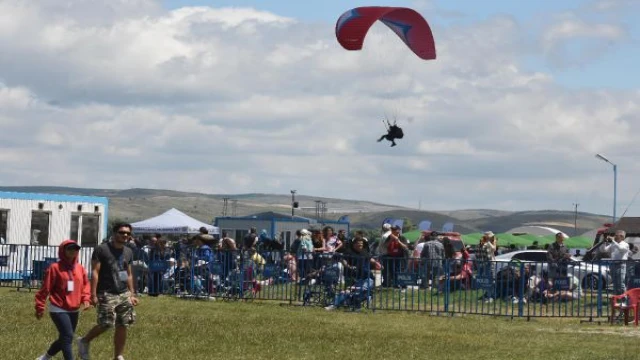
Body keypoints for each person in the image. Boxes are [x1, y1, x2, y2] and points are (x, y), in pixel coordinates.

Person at [77, 223, 139, 360]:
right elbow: (95, 272)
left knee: (124, 323)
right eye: (122, 232)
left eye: (128, 233)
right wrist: (93, 295)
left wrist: (132, 294)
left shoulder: (128, 251)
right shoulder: (101, 250)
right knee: (106, 323)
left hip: (123, 293)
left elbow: (128, 274)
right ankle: (84, 341)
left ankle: (118, 356)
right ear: (114, 233)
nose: (125, 235)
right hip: (106, 292)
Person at [34, 240, 91, 360]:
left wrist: (86, 299)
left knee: (65, 338)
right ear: (62, 251)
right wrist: (40, 306)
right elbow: (45, 288)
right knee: (68, 336)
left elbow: (86, 285)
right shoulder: (54, 268)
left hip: (74, 308)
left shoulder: (80, 268)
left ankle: (45, 357)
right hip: (58, 307)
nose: (73, 251)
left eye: (75, 248)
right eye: (69, 248)